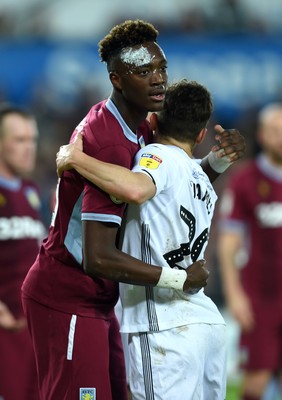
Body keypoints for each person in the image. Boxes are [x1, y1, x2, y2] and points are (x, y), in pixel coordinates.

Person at [22, 19, 244, 400]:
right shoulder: (110, 144)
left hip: (100, 299)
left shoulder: (138, 128)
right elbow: (97, 256)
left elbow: (165, 184)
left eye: (161, 69)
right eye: (144, 72)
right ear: (117, 79)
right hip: (69, 294)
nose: (158, 79)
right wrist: (178, 279)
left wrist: (214, 163)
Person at [56, 78, 235, 399]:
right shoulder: (202, 179)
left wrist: (75, 158)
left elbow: (136, 188)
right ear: (201, 135)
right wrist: (218, 160)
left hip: (164, 326)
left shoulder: (157, 155)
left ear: (152, 121)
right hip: (206, 324)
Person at [217, 103, 282, 400]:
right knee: (255, 385)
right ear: (262, 136)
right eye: (275, 131)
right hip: (262, 298)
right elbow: (229, 242)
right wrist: (235, 295)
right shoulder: (245, 181)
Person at [0, 104, 46, 400]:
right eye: (20, 140)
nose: (29, 148)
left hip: (31, 330)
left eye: (33, 140)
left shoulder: (32, 192)